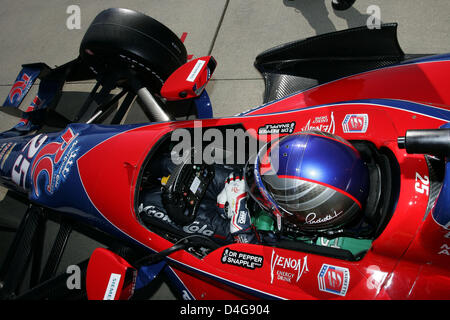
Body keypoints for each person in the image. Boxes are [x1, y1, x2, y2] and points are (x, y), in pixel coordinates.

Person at [139, 131, 369, 245]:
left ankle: (139, 201)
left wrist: (240, 223)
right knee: (186, 167)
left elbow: (265, 265)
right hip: (265, 212)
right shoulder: (341, 186)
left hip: (253, 236)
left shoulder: (339, 251)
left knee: (158, 204)